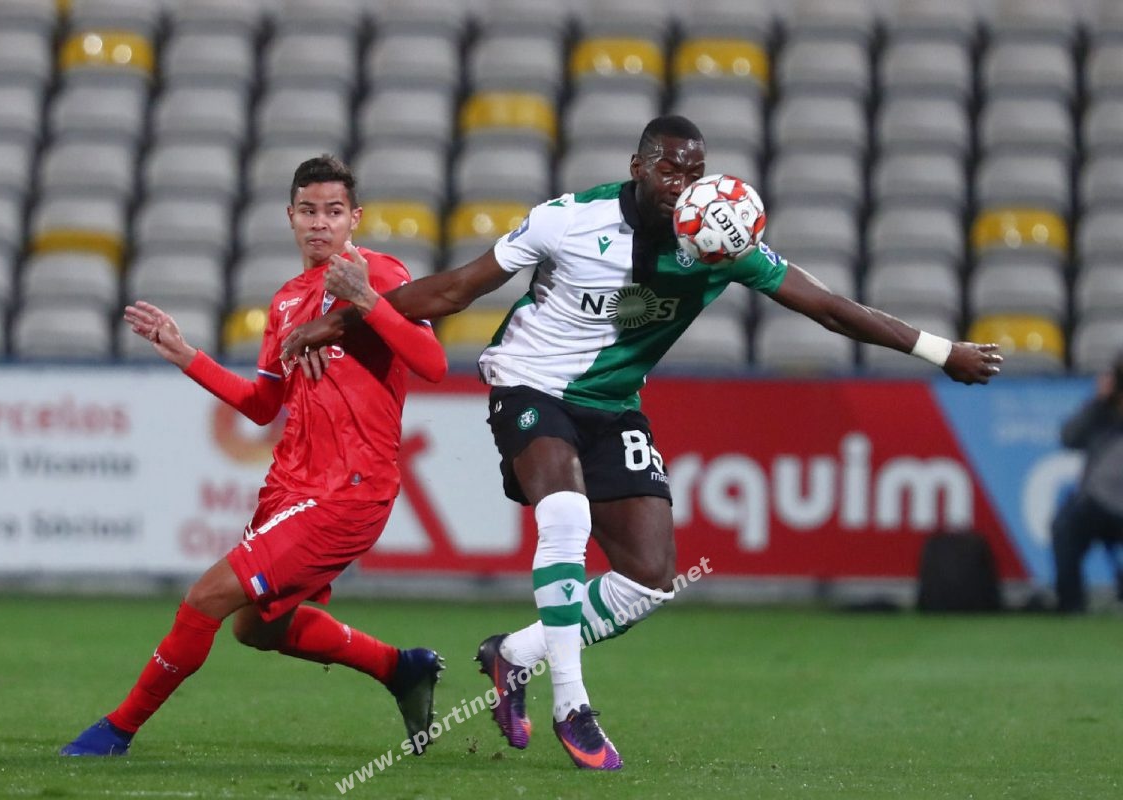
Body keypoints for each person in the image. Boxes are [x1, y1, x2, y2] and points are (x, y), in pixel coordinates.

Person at [279, 116, 1004, 770]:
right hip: (530, 383)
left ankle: (517, 653)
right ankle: (573, 705)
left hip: (613, 405)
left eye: (694, 171)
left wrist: (941, 351)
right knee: (566, 515)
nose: (681, 183)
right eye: (668, 169)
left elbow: (828, 308)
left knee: (651, 579)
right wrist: (338, 323)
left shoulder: (721, 242)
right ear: (637, 167)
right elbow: (454, 291)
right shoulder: (569, 221)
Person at [61, 156, 449, 758]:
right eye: (309, 211)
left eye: (334, 211)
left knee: (206, 597)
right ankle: (400, 668)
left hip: (349, 490)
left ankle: (117, 730)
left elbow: (433, 363)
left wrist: (368, 301)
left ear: (355, 218)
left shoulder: (378, 272)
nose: (320, 223)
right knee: (257, 627)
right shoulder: (286, 301)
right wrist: (187, 355)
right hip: (290, 487)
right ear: (290, 216)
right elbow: (264, 405)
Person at [1051, 352, 1123, 613]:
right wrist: (1097, 401)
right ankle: (1071, 606)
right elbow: (1068, 437)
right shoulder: (1101, 414)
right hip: (1097, 503)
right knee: (1065, 527)